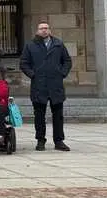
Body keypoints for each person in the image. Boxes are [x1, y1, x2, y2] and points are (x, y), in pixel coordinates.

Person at [20, 21, 72, 151]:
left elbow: (67, 61)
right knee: (39, 115)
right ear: (37, 31)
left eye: (46, 28)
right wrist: (33, 75)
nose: (44, 30)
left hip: (56, 85)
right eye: (41, 28)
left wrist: (62, 73)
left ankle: (59, 141)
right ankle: (40, 140)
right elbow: (24, 63)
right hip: (39, 85)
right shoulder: (30, 45)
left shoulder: (58, 44)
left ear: (50, 30)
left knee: (58, 115)